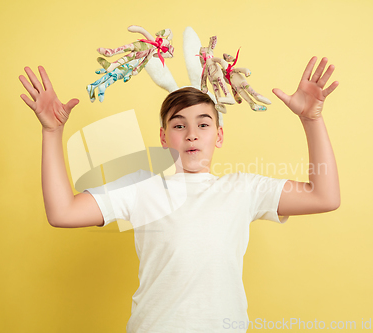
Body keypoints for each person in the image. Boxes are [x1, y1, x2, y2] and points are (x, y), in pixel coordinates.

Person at [19, 56, 340, 332]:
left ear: (219, 135)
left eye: (203, 125)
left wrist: (312, 120)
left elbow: (324, 197)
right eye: (178, 125)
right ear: (163, 136)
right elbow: (63, 213)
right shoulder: (140, 187)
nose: (191, 135)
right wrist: (52, 132)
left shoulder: (243, 189)